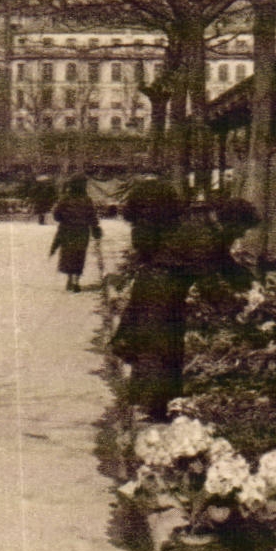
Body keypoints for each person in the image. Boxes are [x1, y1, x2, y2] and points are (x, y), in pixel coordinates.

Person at [109, 178, 187, 421]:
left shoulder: (143, 226)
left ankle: (152, 403)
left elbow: (144, 250)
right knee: (169, 344)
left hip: (152, 284)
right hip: (173, 285)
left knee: (150, 344)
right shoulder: (175, 225)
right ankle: (165, 400)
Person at [49, 176, 101, 292]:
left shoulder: (65, 199)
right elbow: (92, 216)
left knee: (68, 254)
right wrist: (95, 229)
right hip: (82, 231)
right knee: (79, 255)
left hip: (67, 231)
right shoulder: (87, 200)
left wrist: (64, 219)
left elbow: (56, 215)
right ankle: (76, 281)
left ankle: (69, 279)